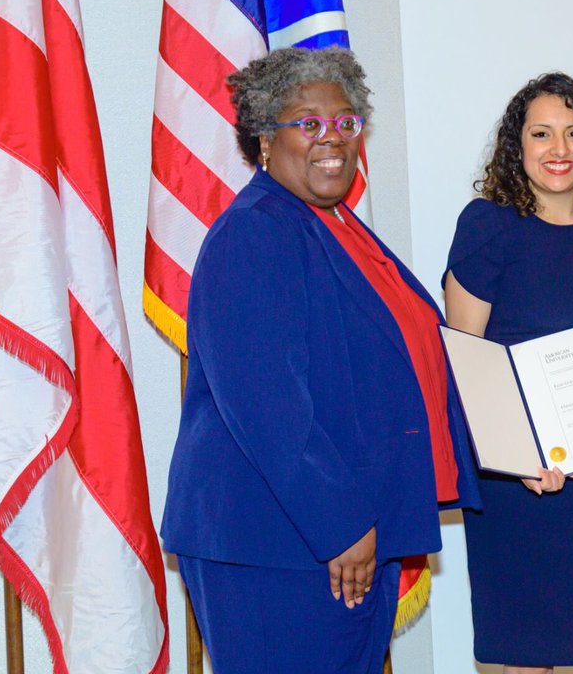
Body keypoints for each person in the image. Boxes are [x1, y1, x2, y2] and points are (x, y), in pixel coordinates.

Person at [161, 46, 480, 673]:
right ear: (262, 141)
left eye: (344, 122)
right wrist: (341, 523)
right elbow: (266, 403)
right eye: (307, 123)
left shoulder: (334, 226)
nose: (331, 138)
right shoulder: (257, 232)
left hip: (338, 534)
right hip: (282, 544)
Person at [443, 72, 573, 673]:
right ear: (517, 146)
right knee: (524, 659)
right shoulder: (489, 224)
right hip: (520, 487)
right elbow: (465, 356)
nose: (559, 150)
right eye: (542, 134)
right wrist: (518, 457)